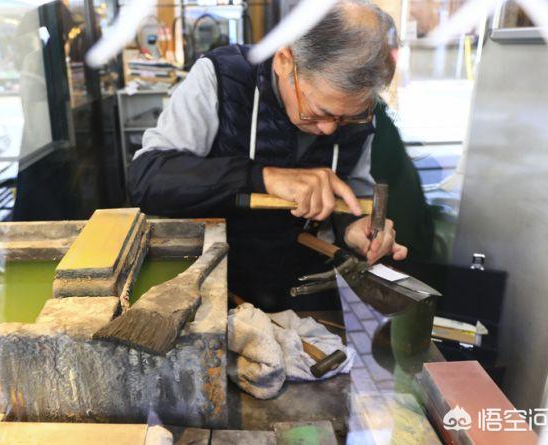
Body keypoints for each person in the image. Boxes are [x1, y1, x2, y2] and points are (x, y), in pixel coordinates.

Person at [128, 0, 434, 312]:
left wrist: (354, 226)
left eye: (345, 118)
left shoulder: (359, 114)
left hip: (303, 293)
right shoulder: (221, 78)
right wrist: (263, 177)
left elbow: (353, 194)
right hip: (214, 286)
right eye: (319, 112)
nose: (329, 129)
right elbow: (148, 178)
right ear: (285, 60)